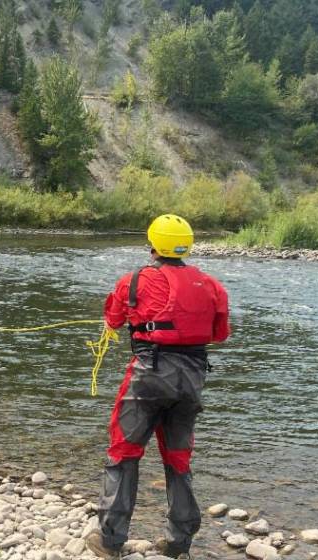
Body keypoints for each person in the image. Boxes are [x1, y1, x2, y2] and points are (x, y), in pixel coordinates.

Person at [85, 214, 230, 560]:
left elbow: (113, 320)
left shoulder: (133, 281)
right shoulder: (211, 285)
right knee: (178, 458)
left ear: (152, 246)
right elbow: (220, 335)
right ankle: (179, 542)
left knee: (123, 453)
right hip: (192, 379)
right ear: (186, 246)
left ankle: (110, 540)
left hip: (149, 375)